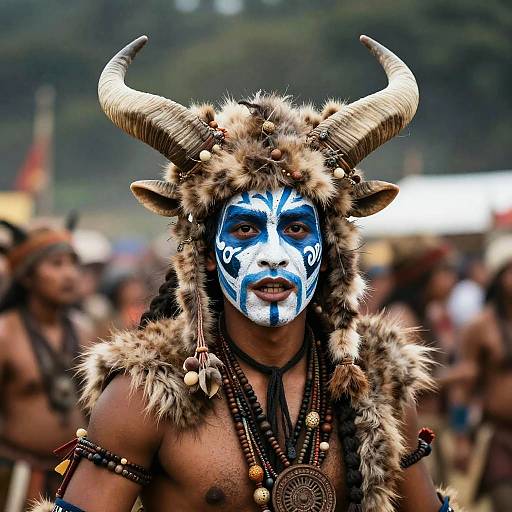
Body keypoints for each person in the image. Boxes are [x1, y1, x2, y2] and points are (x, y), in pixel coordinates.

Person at [32, 35, 458, 512]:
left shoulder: (374, 380)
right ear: (207, 253)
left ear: (330, 245)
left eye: (297, 228)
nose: (274, 254)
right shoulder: (147, 393)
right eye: (246, 228)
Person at [0, 220, 91, 511]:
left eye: (72, 263)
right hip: (13, 477)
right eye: (56, 264)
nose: (69, 274)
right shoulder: (4, 334)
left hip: (75, 476)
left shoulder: (86, 330)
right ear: (27, 276)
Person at [383, 236, 458, 485]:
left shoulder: (429, 313)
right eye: (443, 272)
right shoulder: (401, 318)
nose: (451, 280)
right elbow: (396, 388)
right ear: (423, 276)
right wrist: (459, 376)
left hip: (432, 428)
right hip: (414, 433)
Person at [452, 234, 512, 511]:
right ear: (499, 277)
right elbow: (462, 387)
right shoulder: (480, 326)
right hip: (498, 438)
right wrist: (462, 439)